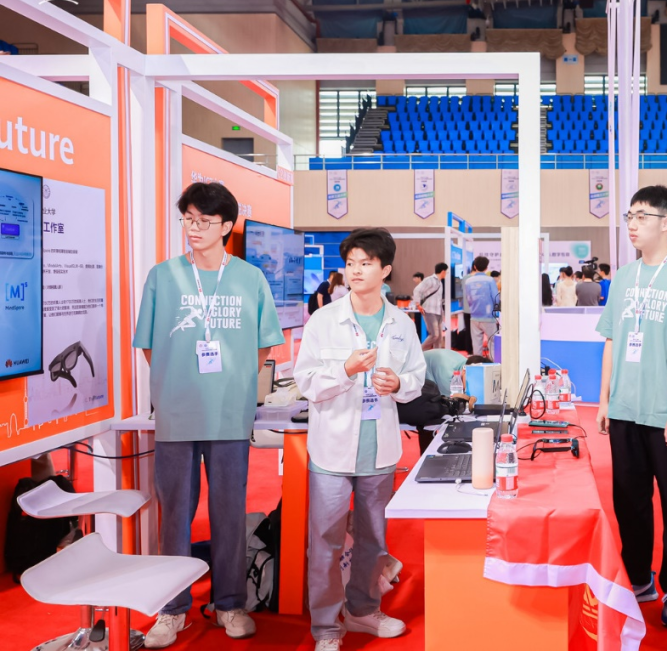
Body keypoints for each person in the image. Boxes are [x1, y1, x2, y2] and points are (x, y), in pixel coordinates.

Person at [133, 182, 284, 648]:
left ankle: (230, 603)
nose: (193, 228)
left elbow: (263, 345)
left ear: (226, 226)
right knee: (174, 516)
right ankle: (172, 609)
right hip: (176, 413)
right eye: (188, 219)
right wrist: (178, 382)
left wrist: (231, 384)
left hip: (228, 415)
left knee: (229, 512)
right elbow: (150, 346)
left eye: (204, 220)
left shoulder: (249, 278)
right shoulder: (163, 276)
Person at [294, 228, 426, 650]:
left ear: (385, 270)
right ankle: (326, 627)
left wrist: (399, 384)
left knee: (374, 539)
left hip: (379, 449)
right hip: (331, 449)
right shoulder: (324, 320)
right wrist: (345, 370)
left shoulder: (401, 323)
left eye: (365, 263)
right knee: (325, 541)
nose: (355, 271)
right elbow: (305, 380)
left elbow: (417, 377)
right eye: (350, 263)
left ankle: (364, 610)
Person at [596, 185, 667, 629]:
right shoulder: (623, 277)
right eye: (630, 216)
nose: (633, 224)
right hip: (624, 409)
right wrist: (605, 399)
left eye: (642, 216)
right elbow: (612, 340)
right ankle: (639, 576)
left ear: (666, 222)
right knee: (629, 500)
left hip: (666, 413)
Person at [463, 257, 500, 359]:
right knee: (492, 343)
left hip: (474, 317)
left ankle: (477, 364)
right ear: (486, 267)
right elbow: (496, 298)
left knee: (476, 345)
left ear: (475, 266)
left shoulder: (468, 281)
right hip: (489, 317)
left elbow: (468, 298)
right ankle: (493, 364)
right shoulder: (490, 280)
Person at [413, 262, 448, 351]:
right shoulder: (429, 280)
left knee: (439, 337)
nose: (446, 274)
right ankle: (419, 351)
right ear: (443, 271)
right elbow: (417, 290)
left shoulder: (440, 283)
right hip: (429, 311)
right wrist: (417, 304)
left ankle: (437, 355)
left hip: (438, 312)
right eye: (446, 272)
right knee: (434, 335)